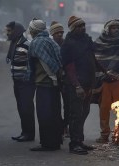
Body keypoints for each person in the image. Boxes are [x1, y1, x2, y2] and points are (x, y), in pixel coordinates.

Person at [60, 16, 96, 155]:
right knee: (75, 114)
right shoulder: (68, 44)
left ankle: (80, 140)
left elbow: (93, 59)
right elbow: (69, 67)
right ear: (73, 28)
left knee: (84, 113)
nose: (82, 28)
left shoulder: (87, 40)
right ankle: (74, 144)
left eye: (83, 25)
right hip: (76, 85)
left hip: (88, 83)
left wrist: (103, 73)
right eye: (79, 26)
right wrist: (77, 85)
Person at [28, 18, 63, 151]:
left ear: (34, 31)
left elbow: (38, 63)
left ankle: (47, 144)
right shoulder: (50, 41)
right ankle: (55, 141)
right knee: (55, 113)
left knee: (44, 115)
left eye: (31, 30)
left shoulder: (36, 43)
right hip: (54, 84)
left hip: (44, 83)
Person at [5, 21, 36, 142]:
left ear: (16, 31)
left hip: (26, 82)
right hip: (17, 82)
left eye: (9, 31)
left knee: (26, 107)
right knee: (20, 107)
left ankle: (29, 134)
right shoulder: (15, 44)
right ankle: (25, 132)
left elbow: (34, 62)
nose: (7, 33)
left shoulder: (26, 44)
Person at [49, 21, 70, 138]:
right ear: (52, 34)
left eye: (61, 32)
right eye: (57, 33)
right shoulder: (50, 45)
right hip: (53, 79)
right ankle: (61, 127)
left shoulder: (67, 44)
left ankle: (66, 126)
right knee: (55, 105)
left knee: (68, 105)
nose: (60, 34)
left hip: (66, 80)